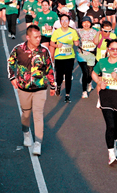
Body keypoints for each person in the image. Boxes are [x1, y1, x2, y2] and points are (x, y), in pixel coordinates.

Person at [8, 25, 56, 156]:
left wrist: (53, 85)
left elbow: (49, 69)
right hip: (23, 88)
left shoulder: (44, 51)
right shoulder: (18, 49)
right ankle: (26, 133)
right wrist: (12, 77)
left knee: (38, 114)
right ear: (28, 37)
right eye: (36, 37)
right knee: (26, 115)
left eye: (40, 36)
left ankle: (38, 143)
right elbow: (11, 62)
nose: (38, 39)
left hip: (40, 88)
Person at [91, 39, 117, 165]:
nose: (115, 51)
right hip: (106, 95)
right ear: (108, 49)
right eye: (112, 49)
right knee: (110, 125)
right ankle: (111, 154)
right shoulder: (102, 62)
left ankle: (114, 141)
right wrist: (99, 82)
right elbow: (94, 73)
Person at [51, 13, 80, 102]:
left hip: (69, 57)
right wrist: (56, 46)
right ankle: (58, 86)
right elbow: (51, 43)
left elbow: (76, 42)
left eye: (66, 20)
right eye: (62, 20)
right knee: (59, 76)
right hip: (59, 57)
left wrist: (77, 43)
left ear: (69, 22)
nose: (64, 22)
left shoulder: (73, 31)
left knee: (68, 76)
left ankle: (67, 95)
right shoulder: (56, 32)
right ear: (60, 22)